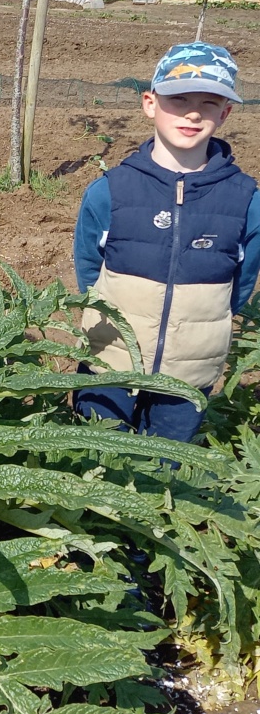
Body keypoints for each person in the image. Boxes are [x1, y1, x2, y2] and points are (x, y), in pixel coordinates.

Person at [73, 41, 260, 443]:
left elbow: (240, 284)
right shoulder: (109, 192)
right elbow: (90, 271)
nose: (193, 113)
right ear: (150, 103)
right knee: (93, 461)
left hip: (190, 374)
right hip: (110, 360)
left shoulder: (247, 200)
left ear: (225, 113)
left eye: (209, 103)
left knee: (166, 471)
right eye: (179, 99)